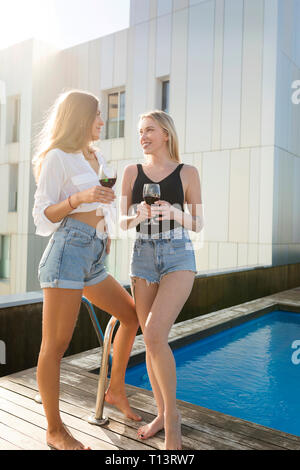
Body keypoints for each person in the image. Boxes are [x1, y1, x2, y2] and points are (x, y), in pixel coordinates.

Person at [32, 89, 141, 451]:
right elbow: (43, 215)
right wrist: (78, 199)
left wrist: (107, 229)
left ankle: (116, 388)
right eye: (97, 114)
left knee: (130, 315)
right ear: (80, 117)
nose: (102, 120)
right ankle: (54, 430)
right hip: (67, 250)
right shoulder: (57, 158)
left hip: (94, 253)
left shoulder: (96, 155)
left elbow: (105, 199)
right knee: (56, 345)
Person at [120, 110, 204, 450]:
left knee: (155, 334)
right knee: (151, 343)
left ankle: (172, 420)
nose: (143, 136)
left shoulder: (188, 172)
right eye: (140, 131)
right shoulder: (130, 172)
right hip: (142, 257)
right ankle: (161, 412)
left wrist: (174, 213)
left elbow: (197, 223)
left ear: (166, 134)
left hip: (178, 255)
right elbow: (119, 222)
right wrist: (135, 216)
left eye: (149, 130)